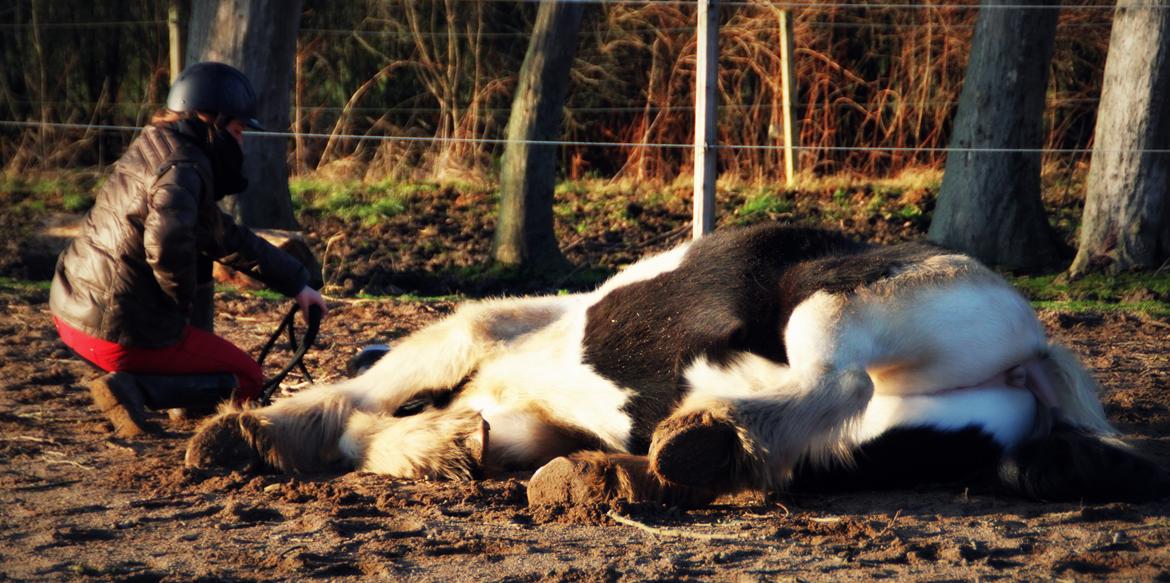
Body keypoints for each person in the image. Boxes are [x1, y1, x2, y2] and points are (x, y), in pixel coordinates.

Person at [49, 62, 328, 438]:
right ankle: (135, 388)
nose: (241, 141)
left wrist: (297, 282)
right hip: (114, 330)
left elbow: (222, 235)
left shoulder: (156, 145)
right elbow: (166, 244)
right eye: (237, 130)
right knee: (247, 378)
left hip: (71, 311)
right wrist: (178, 311)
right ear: (209, 119)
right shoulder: (184, 167)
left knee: (212, 358)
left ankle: (150, 386)